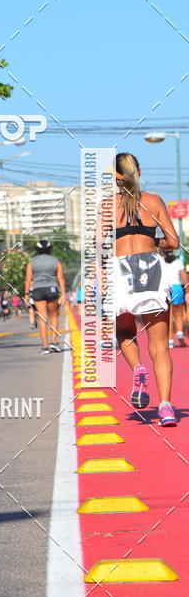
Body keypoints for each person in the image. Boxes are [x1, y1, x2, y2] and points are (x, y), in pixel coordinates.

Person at [114, 153, 179, 426]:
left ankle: (137, 368)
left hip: (119, 271)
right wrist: (152, 243)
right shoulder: (153, 201)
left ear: (116, 178)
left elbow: (98, 247)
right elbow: (173, 242)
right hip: (151, 268)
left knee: (125, 331)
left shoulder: (106, 206)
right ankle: (166, 408)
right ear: (138, 173)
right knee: (160, 346)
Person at [24, 239, 65, 354]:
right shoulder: (55, 261)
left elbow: (28, 279)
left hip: (38, 290)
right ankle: (54, 343)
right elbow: (60, 277)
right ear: (50, 249)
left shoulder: (32, 262)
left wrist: (26, 294)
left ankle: (45, 347)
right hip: (52, 289)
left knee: (43, 317)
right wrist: (63, 294)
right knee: (54, 316)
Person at [162, 251, 188, 348]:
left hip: (166, 288)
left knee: (168, 316)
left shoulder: (161, 261)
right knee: (179, 314)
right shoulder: (178, 262)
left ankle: (170, 341)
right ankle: (180, 332)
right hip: (177, 288)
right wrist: (188, 292)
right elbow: (185, 278)